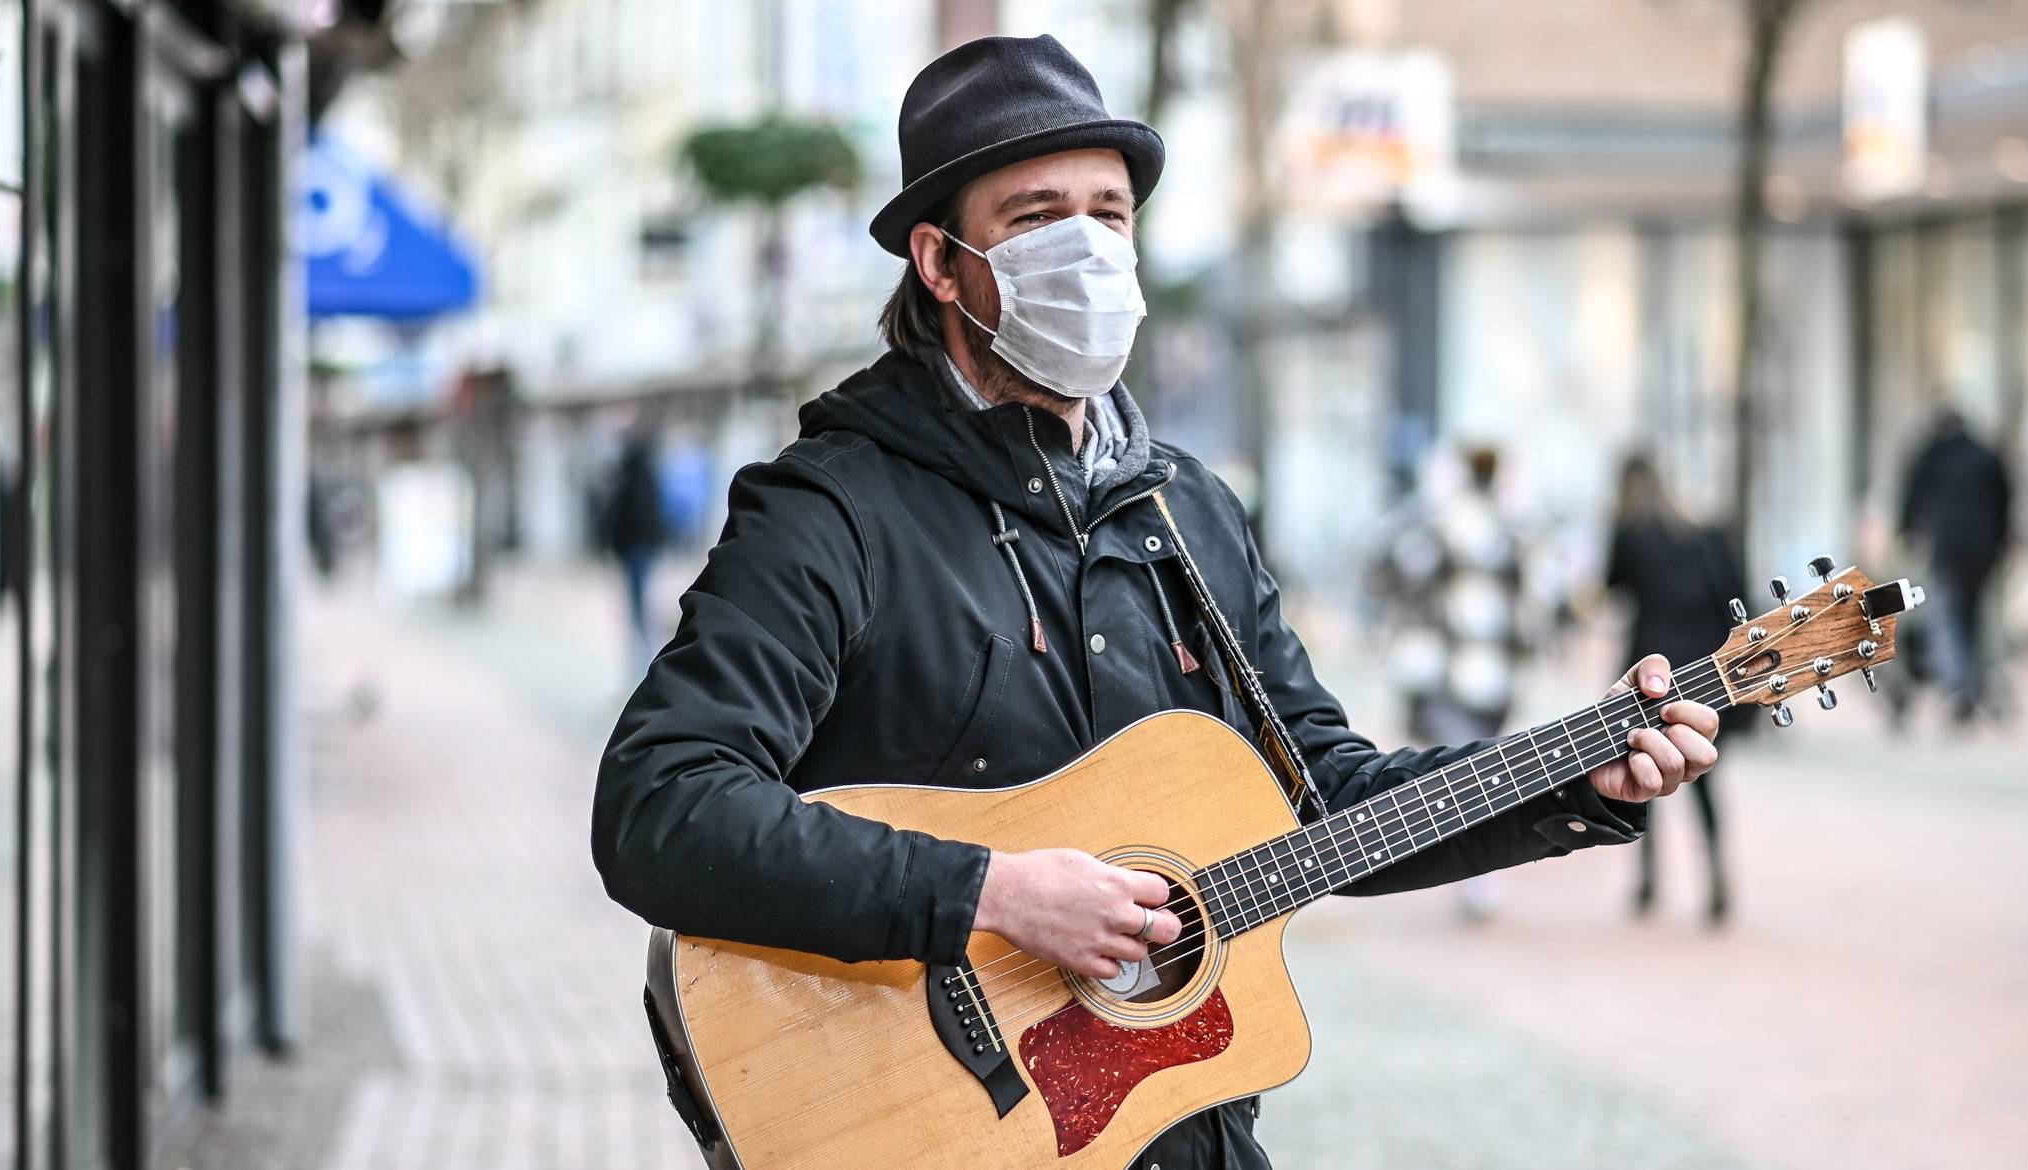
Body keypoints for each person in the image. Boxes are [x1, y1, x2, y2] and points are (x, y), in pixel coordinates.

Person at [592, 36, 1720, 1170]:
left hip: (1180, 1135)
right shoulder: (829, 512)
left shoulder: (1189, 510)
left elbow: (1318, 799)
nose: (1084, 247)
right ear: (939, 264)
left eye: (1108, 213)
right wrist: (989, 891)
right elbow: (658, 807)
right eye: (1035, 217)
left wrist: (1567, 778)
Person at [1369, 444, 1544, 923]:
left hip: (1464, 669)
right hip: (1470, 671)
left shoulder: (1464, 524)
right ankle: (1477, 874)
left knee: (1470, 764)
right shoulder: (1503, 527)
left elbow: (1389, 576)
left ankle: (1477, 870)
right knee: (1473, 763)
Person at [1604, 455, 1744, 925]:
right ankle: (1718, 880)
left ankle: (1648, 880)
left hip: (1652, 673)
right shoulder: (1703, 534)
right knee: (1704, 778)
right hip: (1706, 672)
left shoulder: (1631, 533)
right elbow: (1733, 595)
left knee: (1645, 775)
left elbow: (1611, 585)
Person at [1896, 403, 2014, 726]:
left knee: (1947, 616)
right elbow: (2005, 500)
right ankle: (1973, 683)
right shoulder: (1984, 455)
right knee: (1973, 617)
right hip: (1983, 550)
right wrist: (2002, 543)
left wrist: (1905, 532)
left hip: (1947, 548)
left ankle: (1959, 685)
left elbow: (1911, 496)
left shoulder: (1933, 454)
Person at [599, 424, 668, 658]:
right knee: (640, 607)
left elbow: (628, 514)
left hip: (636, 548)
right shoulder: (644, 471)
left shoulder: (632, 474)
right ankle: (644, 660)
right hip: (641, 548)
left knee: (639, 609)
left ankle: (645, 661)